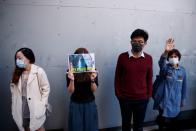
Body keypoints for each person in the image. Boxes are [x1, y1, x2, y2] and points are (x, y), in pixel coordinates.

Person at [114, 29, 153, 131]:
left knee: (139, 126)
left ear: (145, 43)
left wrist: (148, 95)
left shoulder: (149, 58)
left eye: (140, 42)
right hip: (125, 99)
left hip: (142, 99)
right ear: (131, 42)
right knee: (126, 125)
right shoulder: (122, 57)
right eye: (134, 41)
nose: (137, 44)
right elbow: (117, 77)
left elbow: (149, 78)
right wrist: (119, 95)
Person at [10, 48, 50, 131]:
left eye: (20, 58)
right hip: (22, 106)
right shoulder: (17, 73)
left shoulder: (39, 71)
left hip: (35, 105)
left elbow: (46, 89)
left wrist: (43, 104)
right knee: (26, 128)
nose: (17, 60)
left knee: (39, 128)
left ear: (28, 58)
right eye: (16, 59)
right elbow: (13, 90)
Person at [155, 38, 187, 130]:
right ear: (169, 59)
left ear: (179, 58)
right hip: (164, 100)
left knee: (174, 122)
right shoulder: (166, 69)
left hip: (176, 100)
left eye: (175, 56)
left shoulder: (182, 71)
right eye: (171, 56)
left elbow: (184, 86)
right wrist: (165, 52)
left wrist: (183, 100)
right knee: (162, 120)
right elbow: (161, 63)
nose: (173, 58)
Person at [66, 48, 98, 131]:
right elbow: (70, 91)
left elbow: (94, 90)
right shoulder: (70, 71)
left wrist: (92, 79)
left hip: (90, 103)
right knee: (76, 128)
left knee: (91, 128)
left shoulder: (92, 70)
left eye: (85, 57)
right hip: (75, 103)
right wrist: (72, 79)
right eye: (80, 57)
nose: (83, 60)